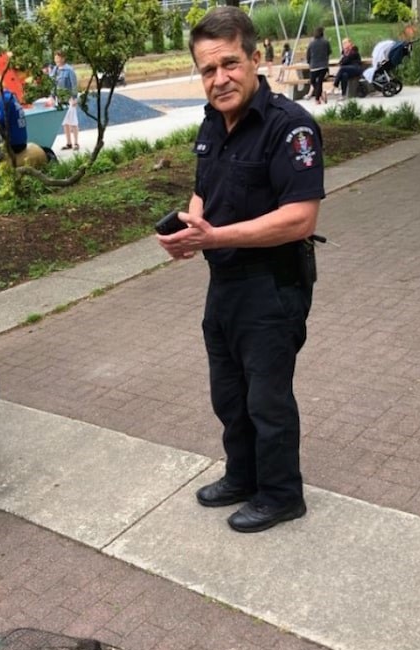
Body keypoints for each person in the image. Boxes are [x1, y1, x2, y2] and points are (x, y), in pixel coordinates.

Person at [156, 6, 324, 533]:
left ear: (255, 59)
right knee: (228, 393)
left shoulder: (289, 127)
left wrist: (215, 237)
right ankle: (243, 475)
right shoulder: (213, 122)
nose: (220, 78)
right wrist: (189, 231)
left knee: (267, 398)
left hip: (273, 287)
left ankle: (281, 495)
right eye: (208, 69)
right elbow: (205, 189)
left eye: (229, 63)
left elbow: (299, 218)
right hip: (224, 283)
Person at [0, 78, 28, 154]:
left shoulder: (3, 100)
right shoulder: (12, 97)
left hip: (14, 144)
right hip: (23, 140)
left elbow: (1, 122)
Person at [51, 49, 79, 150]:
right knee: (65, 122)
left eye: (58, 58)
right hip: (60, 99)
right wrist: (52, 97)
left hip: (69, 98)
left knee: (73, 121)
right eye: (55, 58)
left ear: (63, 58)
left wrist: (74, 98)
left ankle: (76, 142)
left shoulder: (69, 70)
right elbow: (52, 84)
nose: (56, 60)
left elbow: (74, 85)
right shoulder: (55, 70)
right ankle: (68, 143)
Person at [306, 27, 331, 104]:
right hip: (324, 66)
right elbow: (329, 52)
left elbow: (308, 54)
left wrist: (309, 62)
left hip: (314, 66)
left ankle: (318, 98)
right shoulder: (326, 42)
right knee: (320, 82)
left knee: (313, 81)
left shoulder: (311, 43)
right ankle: (319, 96)